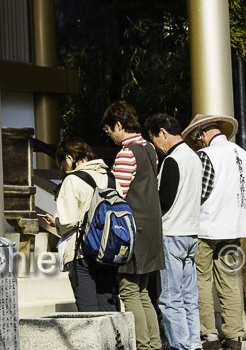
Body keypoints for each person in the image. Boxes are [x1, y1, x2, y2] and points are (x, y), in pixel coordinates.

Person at [184, 113, 246, 350]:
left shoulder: (206, 155)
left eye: (198, 138)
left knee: (202, 281)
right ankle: (234, 335)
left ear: (204, 132)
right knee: (229, 281)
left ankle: (209, 335)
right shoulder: (243, 155)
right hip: (234, 227)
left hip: (207, 226)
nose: (198, 142)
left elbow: (200, 191)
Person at [103, 101, 164, 350]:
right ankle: (154, 344)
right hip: (152, 229)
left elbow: (118, 196)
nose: (109, 135)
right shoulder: (149, 148)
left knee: (128, 290)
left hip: (132, 232)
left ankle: (143, 345)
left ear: (119, 125)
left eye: (109, 129)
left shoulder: (126, 154)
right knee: (143, 291)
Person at [146, 113, 203, 350]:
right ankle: (194, 343)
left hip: (172, 232)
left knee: (170, 298)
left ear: (162, 132)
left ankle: (180, 345)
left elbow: (165, 201)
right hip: (192, 232)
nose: (156, 146)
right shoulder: (194, 157)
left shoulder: (172, 160)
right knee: (189, 296)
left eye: (154, 139)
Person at [53, 137, 120, 312]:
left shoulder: (72, 180)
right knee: (108, 309)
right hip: (108, 249)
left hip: (81, 251)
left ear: (69, 158)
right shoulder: (110, 178)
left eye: (63, 162)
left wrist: (55, 223)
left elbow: (68, 221)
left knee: (88, 311)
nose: (64, 167)